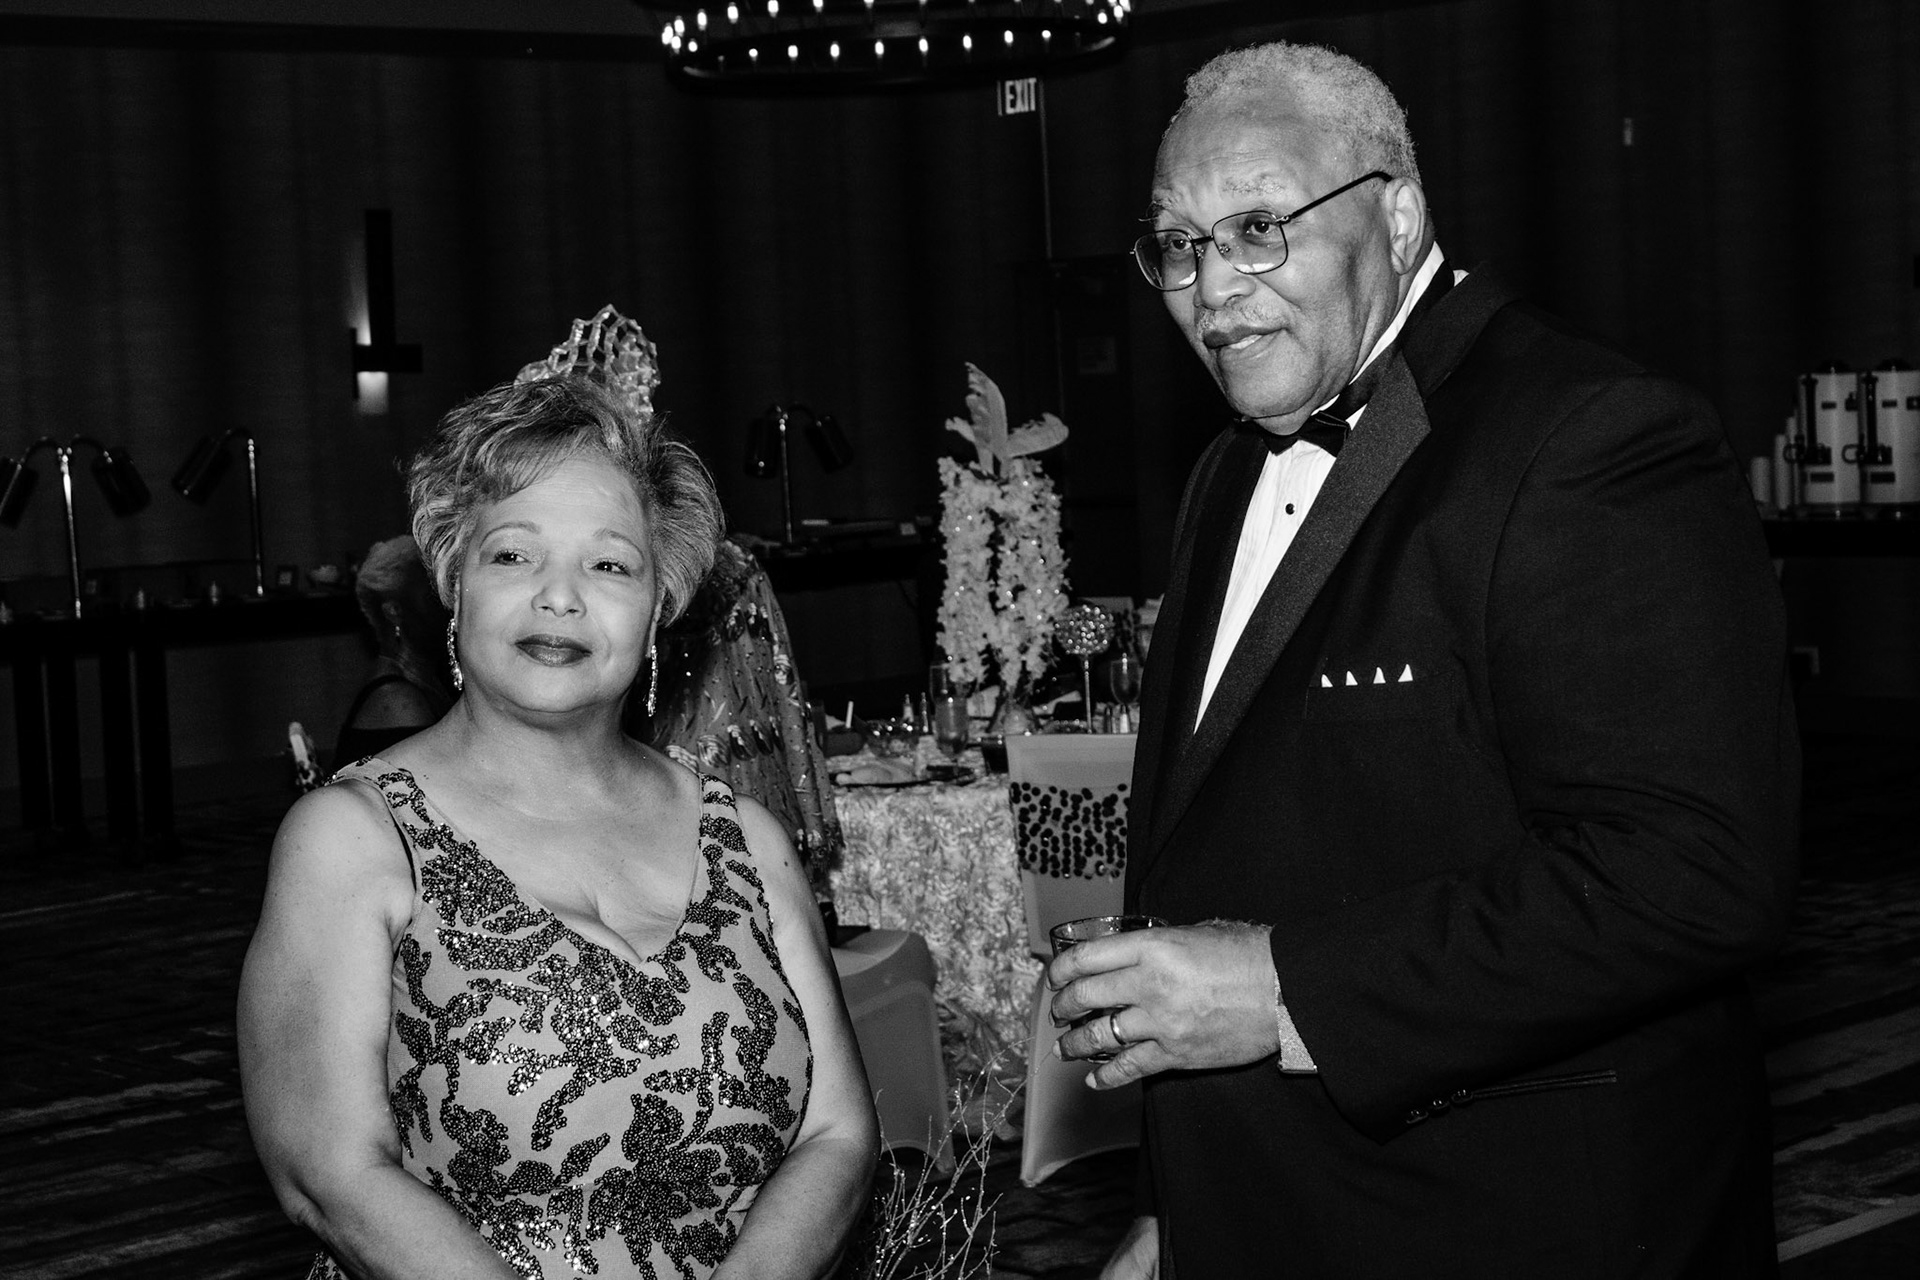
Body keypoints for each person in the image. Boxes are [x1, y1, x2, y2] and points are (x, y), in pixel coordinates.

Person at [1047, 41, 1798, 1277]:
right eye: (1178, 244)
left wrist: (1280, 988)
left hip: (1516, 1219)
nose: (1211, 287)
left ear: (1396, 218)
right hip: (1273, 1206)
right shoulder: (1227, 469)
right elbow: (1217, 842)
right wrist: (1179, 1205)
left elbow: (1694, 871)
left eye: (1257, 228)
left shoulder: (1588, 436)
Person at [238, 375, 879, 1279]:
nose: (559, 597)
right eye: (513, 555)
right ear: (455, 584)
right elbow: (330, 1174)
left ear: (657, 610)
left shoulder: (747, 840)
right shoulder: (351, 839)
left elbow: (838, 1133)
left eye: (610, 565)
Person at [331, 534, 453, 767]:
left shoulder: (421, 682)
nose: (447, 608)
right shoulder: (399, 701)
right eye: (433, 598)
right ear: (394, 611)